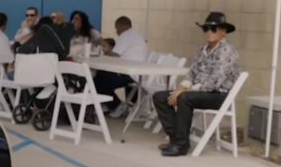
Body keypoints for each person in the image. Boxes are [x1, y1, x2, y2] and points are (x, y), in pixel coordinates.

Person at [153, 12, 240, 157]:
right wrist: (181, 88)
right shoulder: (202, 49)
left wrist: (184, 92)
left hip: (219, 95)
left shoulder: (227, 51)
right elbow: (192, 72)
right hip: (198, 92)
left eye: (214, 29)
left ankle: (181, 145)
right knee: (160, 97)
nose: (209, 32)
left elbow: (214, 82)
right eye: (206, 29)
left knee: (184, 99)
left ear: (223, 31)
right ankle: (176, 140)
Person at [93, 15, 148, 117]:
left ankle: (117, 105)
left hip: (130, 74)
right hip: (135, 72)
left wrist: (100, 57)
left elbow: (114, 55)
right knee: (101, 76)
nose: (116, 32)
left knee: (100, 79)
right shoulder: (135, 35)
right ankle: (108, 103)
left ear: (121, 26)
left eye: (116, 29)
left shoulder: (126, 35)